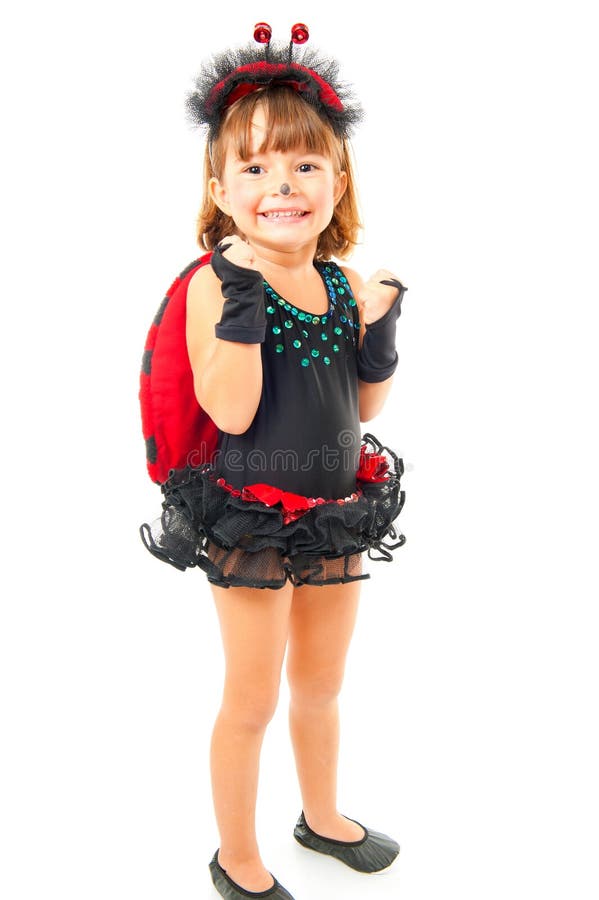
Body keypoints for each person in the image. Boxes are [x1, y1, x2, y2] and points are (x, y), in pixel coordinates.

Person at [139, 24, 407, 900]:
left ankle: (320, 817)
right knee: (250, 698)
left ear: (337, 182)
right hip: (251, 516)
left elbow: (362, 407)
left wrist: (379, 325)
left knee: (322, 686)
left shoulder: (337, 280)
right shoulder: (218, 282)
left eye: (302, 166)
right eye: (254, 168)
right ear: (221, 188)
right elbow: (232, 409)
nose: (280, 185)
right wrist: (246, 293)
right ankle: (235, 854)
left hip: (334, 510)